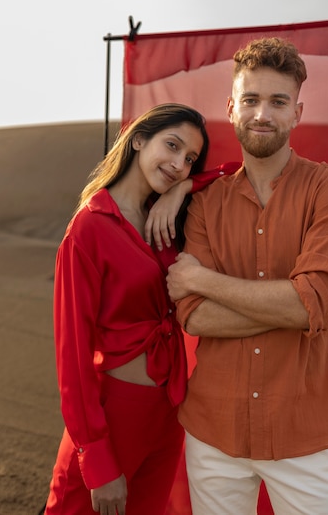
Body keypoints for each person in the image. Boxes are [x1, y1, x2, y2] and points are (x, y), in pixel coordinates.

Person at [166, 37, 328, 515]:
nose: (263, 114)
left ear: (297, 112)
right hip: (213, 434)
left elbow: (313, 302)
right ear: (232, 108)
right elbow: (193, 317)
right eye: (251, 100)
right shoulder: (205, 203)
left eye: (278, 102)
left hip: (305, 434)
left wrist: (203, 280)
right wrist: (300, 307)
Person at [43, 104, 214, 515]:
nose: (178, 164)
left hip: (170, 414)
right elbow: (73, 359)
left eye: (189, 158)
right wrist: (98, 462)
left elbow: (234, 172)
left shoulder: (168, 220)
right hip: (112, 416)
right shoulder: (89, 229)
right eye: (171, 146)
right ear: (138, 139)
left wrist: (181, 190)